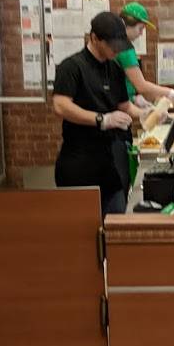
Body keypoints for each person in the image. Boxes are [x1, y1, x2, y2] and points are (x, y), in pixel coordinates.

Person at [52, 11, 134, 216]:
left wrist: (150, 112)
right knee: (83, 229)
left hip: (109, 164)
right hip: (79, 164)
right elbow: (61, 105)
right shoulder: (72, 67)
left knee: (116, 222)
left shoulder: (114, 69)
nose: (116, 50)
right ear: (94, 38)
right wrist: (101, 120)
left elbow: (125, 107)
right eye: (111, 45)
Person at [115, 2, 174, 109]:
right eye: (140, 28)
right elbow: (141, 86)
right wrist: (172, 94)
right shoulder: (125, 48)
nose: (141, 33)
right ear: (127, 24)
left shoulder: (117, 43)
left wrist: (134, 97)